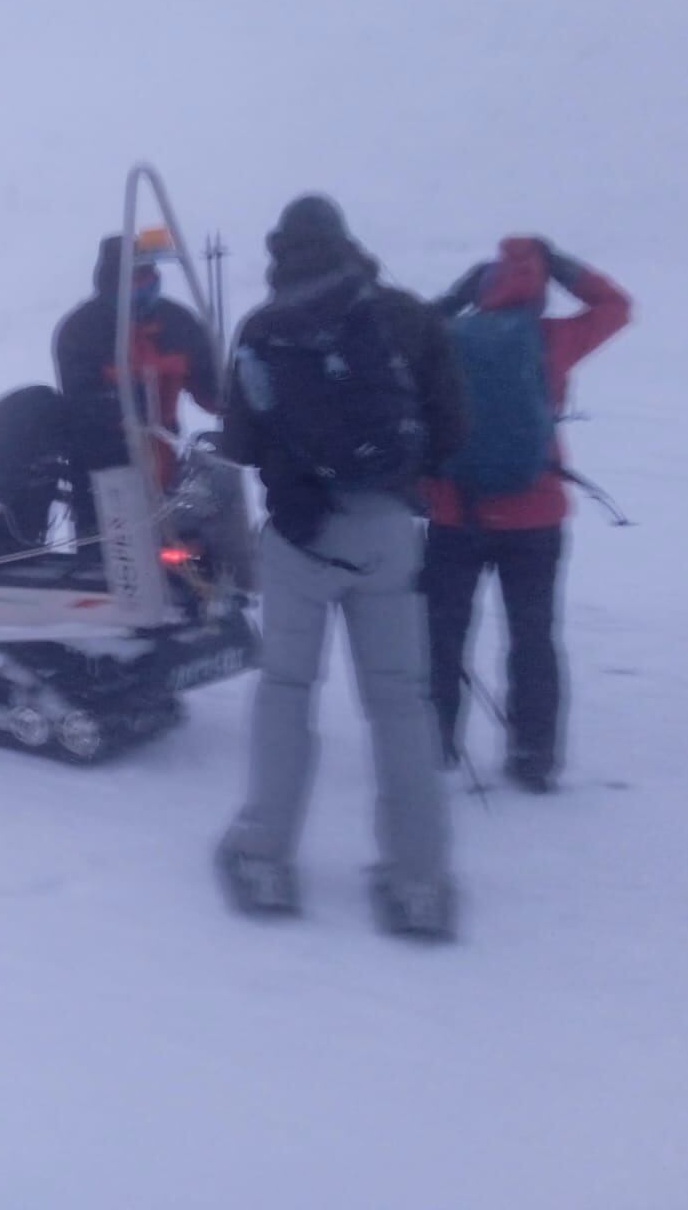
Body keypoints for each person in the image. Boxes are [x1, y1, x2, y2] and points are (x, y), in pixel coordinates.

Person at [215, 195, 467, 940]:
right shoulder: (404, 316)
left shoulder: (264, 326)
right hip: (386, 528)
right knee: (399, 702)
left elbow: (240, 439)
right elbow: (453, 428)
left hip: (299, 536)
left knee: (288, 689)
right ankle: (417, 881)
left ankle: (265, 856)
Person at [422, 237, 631, 791]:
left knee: (443, 634)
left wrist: (453, 297)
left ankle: (433, 744)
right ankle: (533, 757)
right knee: (533, 637)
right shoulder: (552, 340)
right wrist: (567, 267)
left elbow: (403, 336)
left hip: (452, 511)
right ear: (540, 290)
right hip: (534, 516)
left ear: (484, 287)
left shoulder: (447, 339)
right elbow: (616, 307)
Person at [53, 231, 221, 532]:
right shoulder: (81, 331)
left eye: (148, 276)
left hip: (167, 464)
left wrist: (229, 390)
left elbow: (212, 394)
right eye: (133, 280)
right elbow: (81, 403)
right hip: (103, 472)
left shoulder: (179, 323)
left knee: (184, 556)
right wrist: (129, 401)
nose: (142, 287)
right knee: (114, 566)